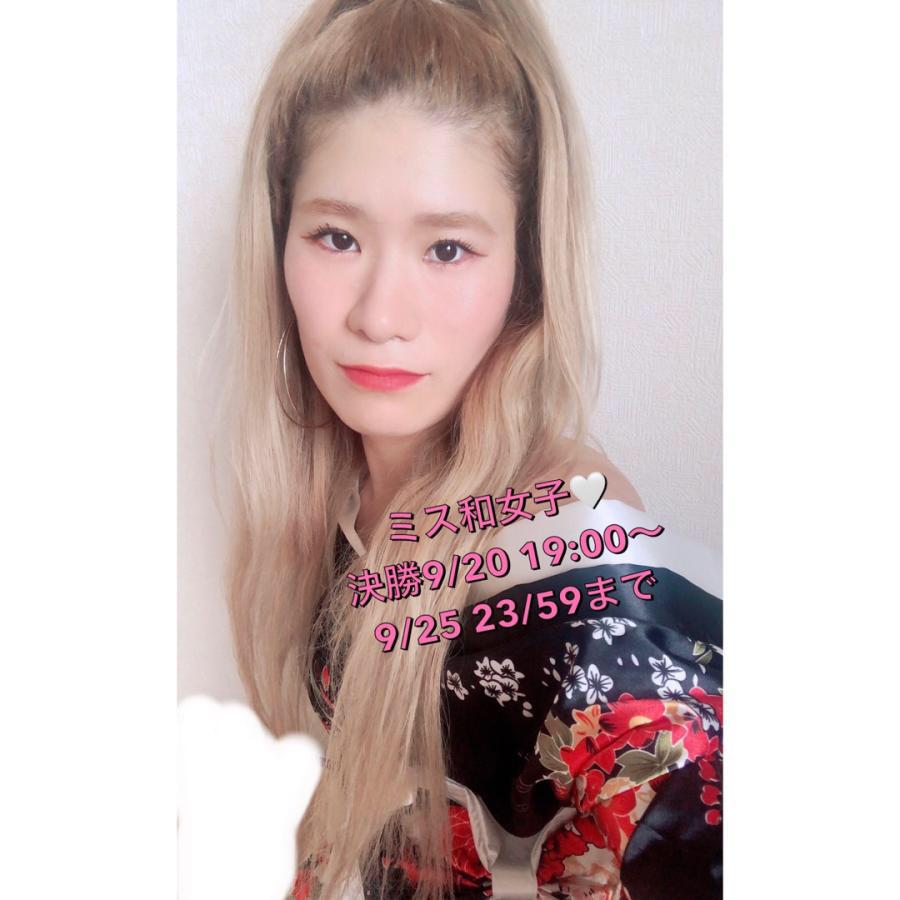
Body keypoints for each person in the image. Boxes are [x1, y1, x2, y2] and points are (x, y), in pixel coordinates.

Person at [222, 1, 723, 898]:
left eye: (447, 249)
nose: (379, 315)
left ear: (525, 271)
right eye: (337, 237)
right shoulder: (343, 501)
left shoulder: (574, 580)